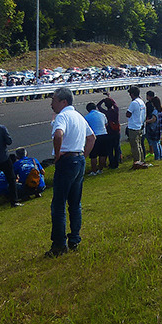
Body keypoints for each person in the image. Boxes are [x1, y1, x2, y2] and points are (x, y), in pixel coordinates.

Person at [47, 87, 95, 257]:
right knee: (75, 203)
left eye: (54, 100)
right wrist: (83, 155)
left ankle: (59, 244)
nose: (51, 104)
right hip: (79, 158)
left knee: (58, 204)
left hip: (67, 160)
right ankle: (74, 238)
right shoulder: (78, 116)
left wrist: (58, 154)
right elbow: (91, 137)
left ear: (63, 102)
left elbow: (58, 135)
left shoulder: (63, 116)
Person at [96, 92, 122, 170]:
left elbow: (98, 106)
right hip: (117, 132)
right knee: (117, 148)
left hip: (109, 132)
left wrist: (103, 100)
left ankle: (112, 163)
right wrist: (109, 98)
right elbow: (115, 104)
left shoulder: (106, 113)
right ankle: (116, 163)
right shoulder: (116, 111)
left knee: (110, 149)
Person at [125, 86, 147, 168]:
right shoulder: (141, 102)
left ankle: (137, 162)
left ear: (132, 94)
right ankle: (141, 160)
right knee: (139, 145)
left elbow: (128, 114)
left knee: (134, 146)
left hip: (134, 126)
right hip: (140, 125)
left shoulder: (134, 103)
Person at [84, 102, 110, 175]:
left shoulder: (87, 117)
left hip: (94, 136)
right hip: (104, 134)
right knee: (103, 154)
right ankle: (100, 169)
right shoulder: (102, 114)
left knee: (93, 155)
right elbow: (106, 124)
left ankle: (94, 171)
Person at [145, 94, 162, 160]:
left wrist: (147, 121)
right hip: (159, 128)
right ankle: (161, 155)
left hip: (155, 129)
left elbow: (153, 119)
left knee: (155, 143)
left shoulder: (155, 111)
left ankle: (157, 156)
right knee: (158, 142)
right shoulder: (160, 110)